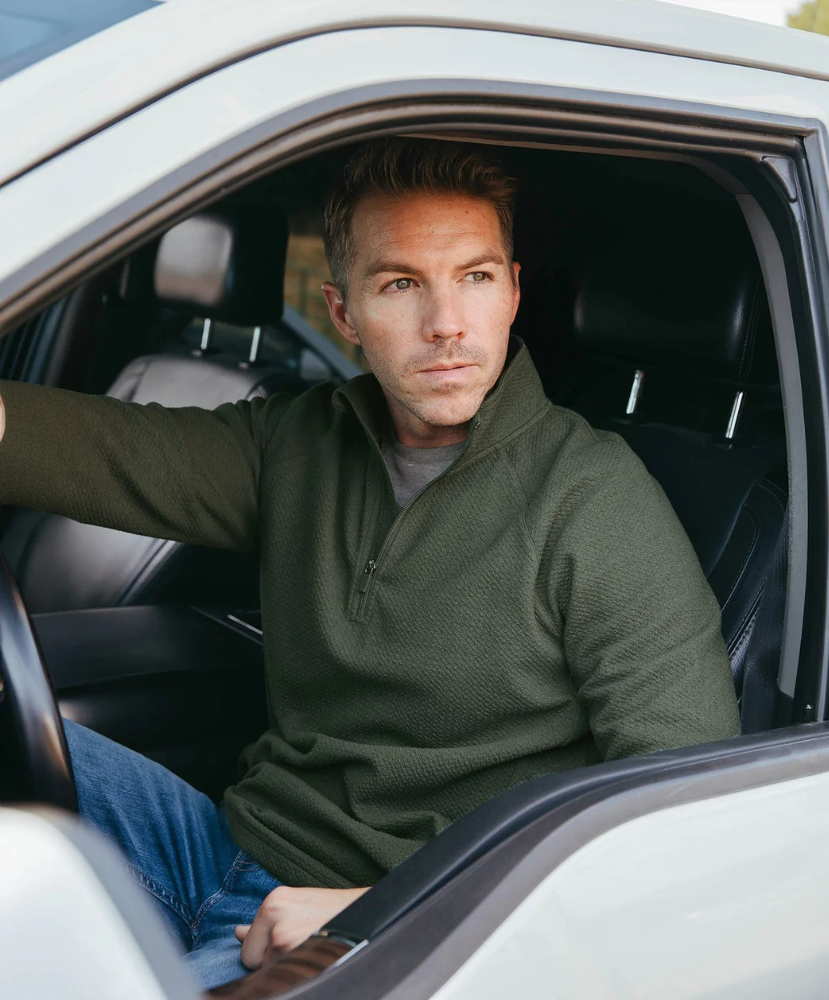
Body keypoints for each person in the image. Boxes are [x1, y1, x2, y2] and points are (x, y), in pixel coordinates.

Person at [0, 138, 739, 991]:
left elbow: (682, 823)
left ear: (512, 292)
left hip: (404, 921)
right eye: (400, 284)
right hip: (218, 850)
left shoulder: (596, 501)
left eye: (474, 277)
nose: (446, 323)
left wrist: (376, 908)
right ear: (342, 312)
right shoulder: (299, 440)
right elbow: (99, 449)